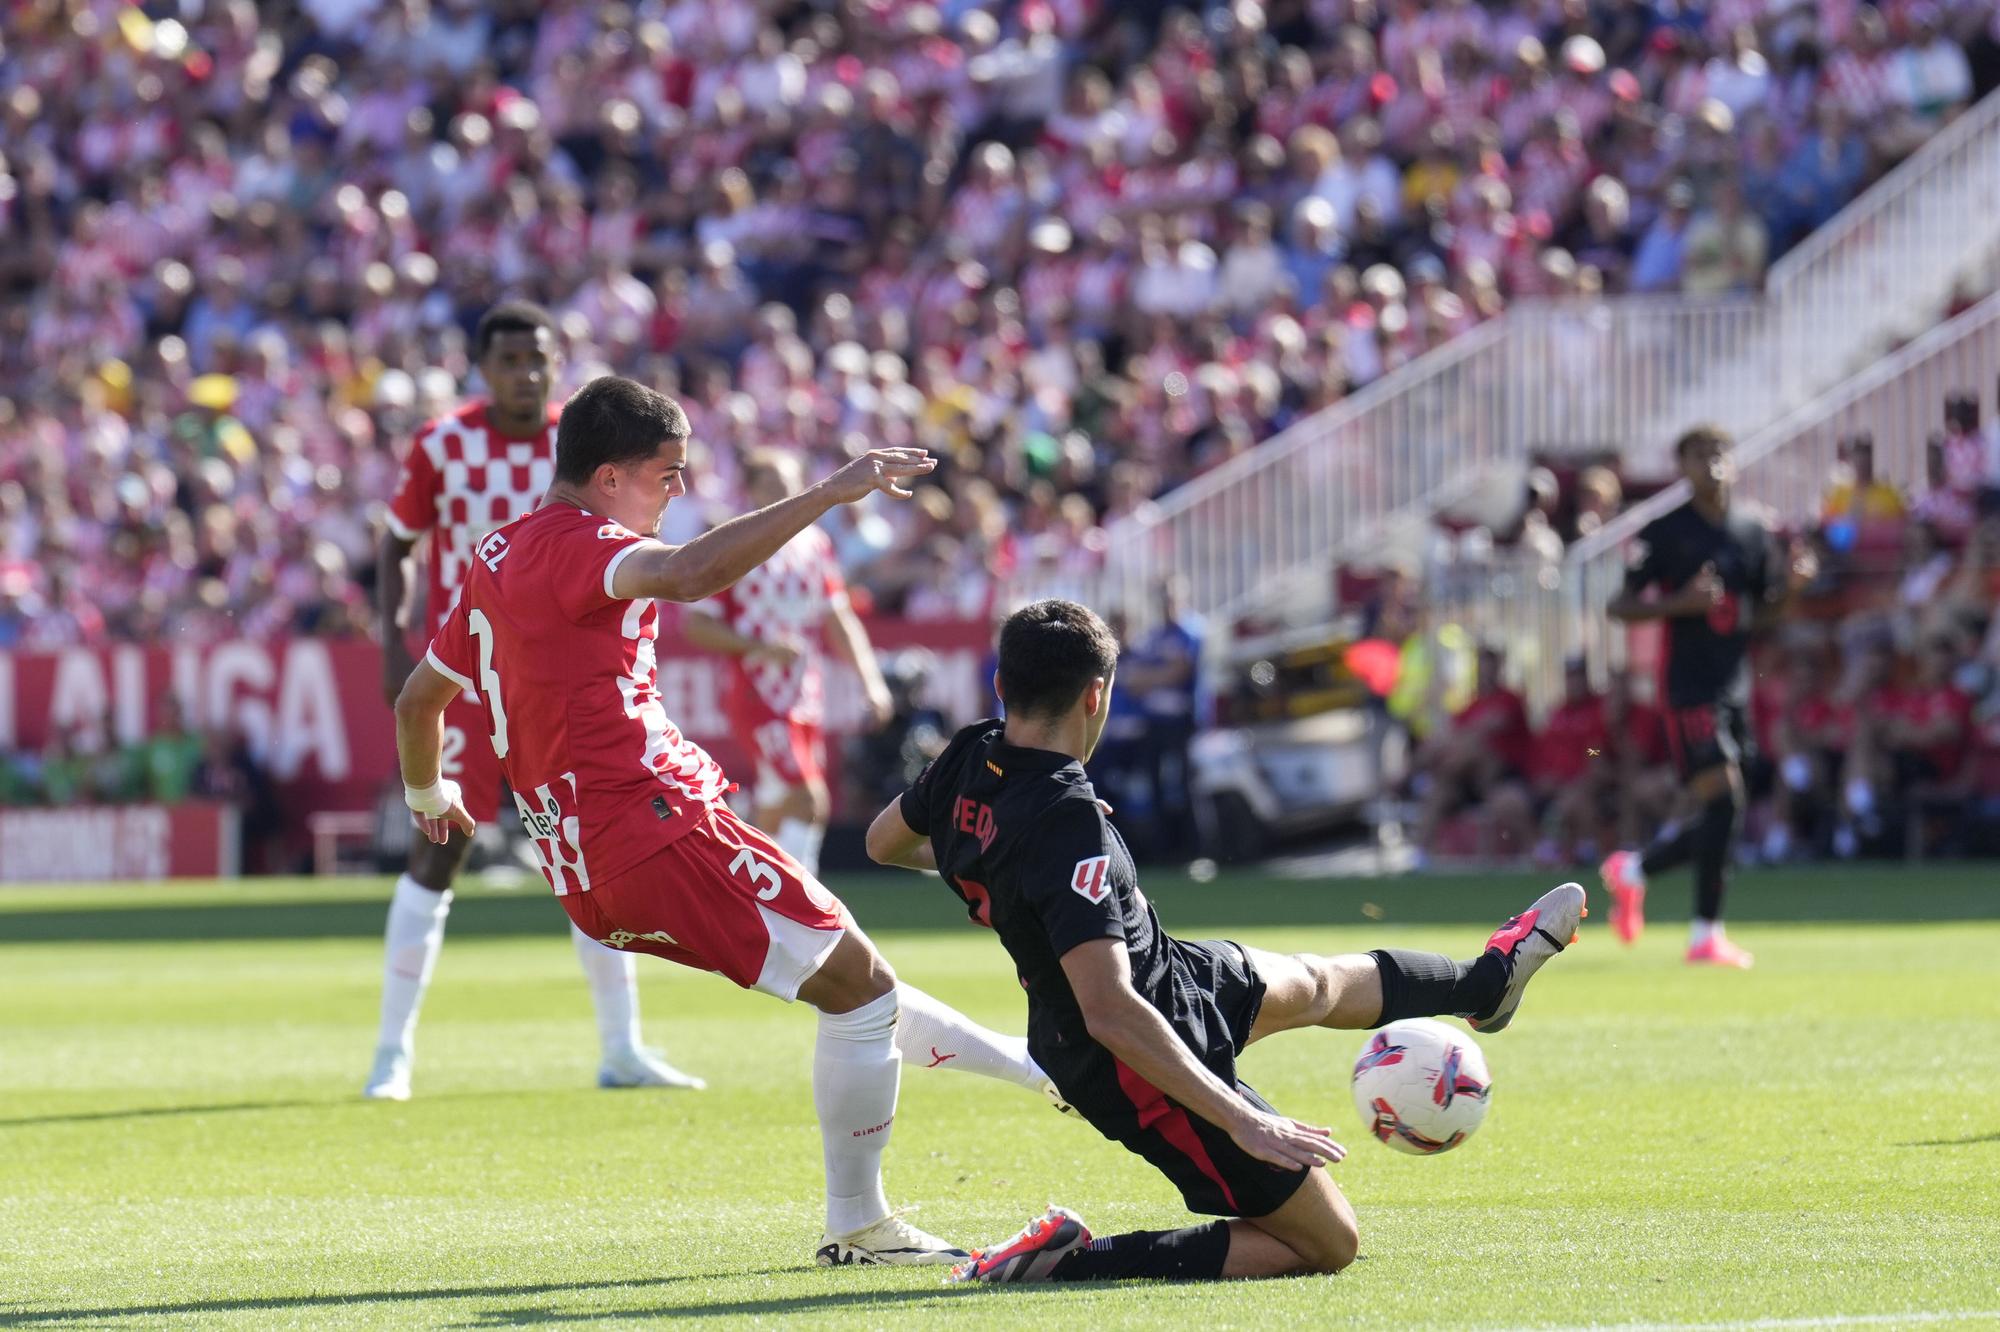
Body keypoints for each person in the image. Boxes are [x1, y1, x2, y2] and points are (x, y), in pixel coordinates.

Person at [393, 375, 1051, 1265]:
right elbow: (692, 575)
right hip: (651, 828)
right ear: (612, 476)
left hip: (587, 869)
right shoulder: (587, 545)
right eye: (668, 475)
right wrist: (829, 492)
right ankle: (861, 1224)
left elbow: (417, 701)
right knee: (859, 989)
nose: (677, 494)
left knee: (854, 977)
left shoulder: (496, 555)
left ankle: (1036, 1072)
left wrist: (428, 795)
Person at [864, 600, 1584, 1283]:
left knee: (1319, 984)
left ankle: (1485, 985)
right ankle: (1067, 1258)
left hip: (1170, 970)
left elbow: (884, 841)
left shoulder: (967, 755)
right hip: (1130, 1057)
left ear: (1000, 685)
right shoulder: (1066, 821)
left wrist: (998, 860)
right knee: (1329, 1244)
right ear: (1096, 695)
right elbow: (1109, 1010)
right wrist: (1242, 1121)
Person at [364, 302, 699, 1100]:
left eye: (538, 359)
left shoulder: (584, 444)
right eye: (511, 360)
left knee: (602, 851)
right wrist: (391, 640)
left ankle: (621, 1047)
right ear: (483, 368)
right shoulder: (444, 444)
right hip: (471, 676)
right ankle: (391, 1052)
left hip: (561, 682)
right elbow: (397, 543)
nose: (527, 373)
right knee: (438, 845)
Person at [1600, 425, 1815, 968]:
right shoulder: (1666, 531)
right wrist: (1680, 604)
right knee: (1726, 800)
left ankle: (1634, 871)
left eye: (1720, 451)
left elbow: (1759, 615)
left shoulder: (1752, 529)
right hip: (1689, 688)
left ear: (1733, 461)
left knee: (1726, 811)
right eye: (1699, 454)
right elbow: (1621, 606)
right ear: (1683, 468)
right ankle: (1704, 936)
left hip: (1735, 687)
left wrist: (1790, 587)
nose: (1712, 461)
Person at [682, 450, 894, 878]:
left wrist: (871, 682)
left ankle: (751, 897)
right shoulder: (737, 542)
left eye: (788, 483)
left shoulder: (815, 545)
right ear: (752, 490)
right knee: (809, 799)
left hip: (804, 692)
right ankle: (805, 901)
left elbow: (838, 618)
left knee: (776, 807)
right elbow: (697, 625)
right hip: (757, 693)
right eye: (770, 484)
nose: (781, 493)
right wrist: (759, 648)